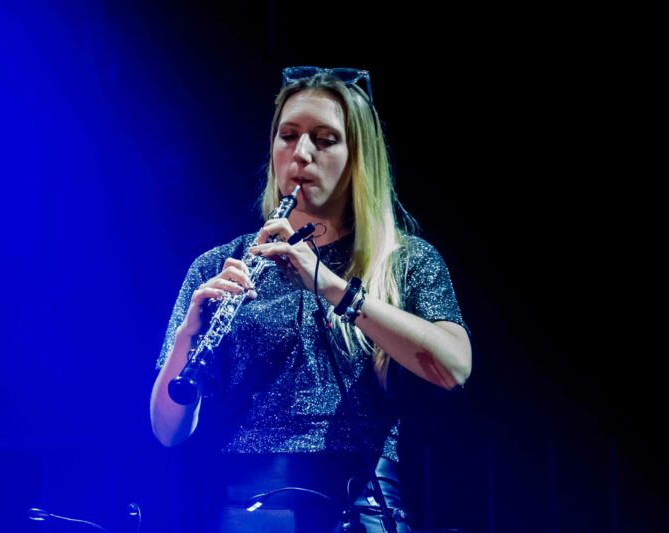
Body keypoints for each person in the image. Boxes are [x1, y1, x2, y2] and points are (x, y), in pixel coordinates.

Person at [150, 66, 472, 532]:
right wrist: (188, 336)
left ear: (358, 155)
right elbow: (167, 431)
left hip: (361, 507)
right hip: (249, 513)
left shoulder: (405, 260)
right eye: (288, 136)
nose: (300, 154)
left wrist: (330, 285)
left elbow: (455, 367)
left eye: (324, 140)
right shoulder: (219, 265)